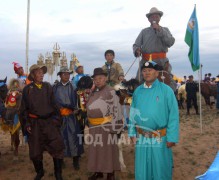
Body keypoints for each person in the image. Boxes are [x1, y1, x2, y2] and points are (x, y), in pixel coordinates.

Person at [128, 61, 179, 180]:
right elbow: (132, 113)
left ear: (156, 73)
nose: (147, 73)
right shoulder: (138, 91)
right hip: (141, 138)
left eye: (150, 70)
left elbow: (173, 115)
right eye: (144, 71)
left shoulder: (166, 91)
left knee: (160, 170)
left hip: (160, 138)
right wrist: (131, 132)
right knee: (142, 170)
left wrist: (172, 137)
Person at [19, 64, 65, 180]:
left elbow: (55, 105)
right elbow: (24, 109)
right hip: (34, 124)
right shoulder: (27, 90)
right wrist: (27, 124)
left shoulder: (48, 87)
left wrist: (56, 120)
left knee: (57, 146)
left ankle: (58, 174)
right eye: (38, 73)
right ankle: (40, 172)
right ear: (33, 75)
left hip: (50, 122)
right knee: (35, 150)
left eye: (42, 72)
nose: (41, 75)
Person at [86, 68, 123, 180]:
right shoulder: (94, 92)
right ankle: (98, 171)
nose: (98, 81)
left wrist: (114, 128)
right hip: (94, 127)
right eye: (95, 79)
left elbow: (117, 110)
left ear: (105, 78)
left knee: (108, 151)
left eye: (100, 78)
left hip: (107, 127)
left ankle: (110, 173)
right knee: (95, 150)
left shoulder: (111, 91)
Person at [133, 7, 176, 91]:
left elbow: (170, 42)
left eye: (156, 16)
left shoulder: (165, 30)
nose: (154, 18)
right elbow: (136, 44)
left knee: (169, 83)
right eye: (152, 17)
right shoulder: (144, 31)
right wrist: (137, 50)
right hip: (145, 61)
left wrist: (159, 30)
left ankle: (170, 101)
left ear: (160, 18)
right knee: (138, 82)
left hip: (162, 62)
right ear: (149, 19)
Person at [53, 66, 84, 170]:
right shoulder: (55, 87)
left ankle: (76, 161)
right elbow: (52, 102)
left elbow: (79, 101)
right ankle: (60, 161)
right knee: (60, 140)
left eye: (68, 74)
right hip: (59, 118)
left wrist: (78, 109)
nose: (66, 76)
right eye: (64, 74)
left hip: (71, 116)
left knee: (74, 138)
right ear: (60, 75)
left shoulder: (74, 87)